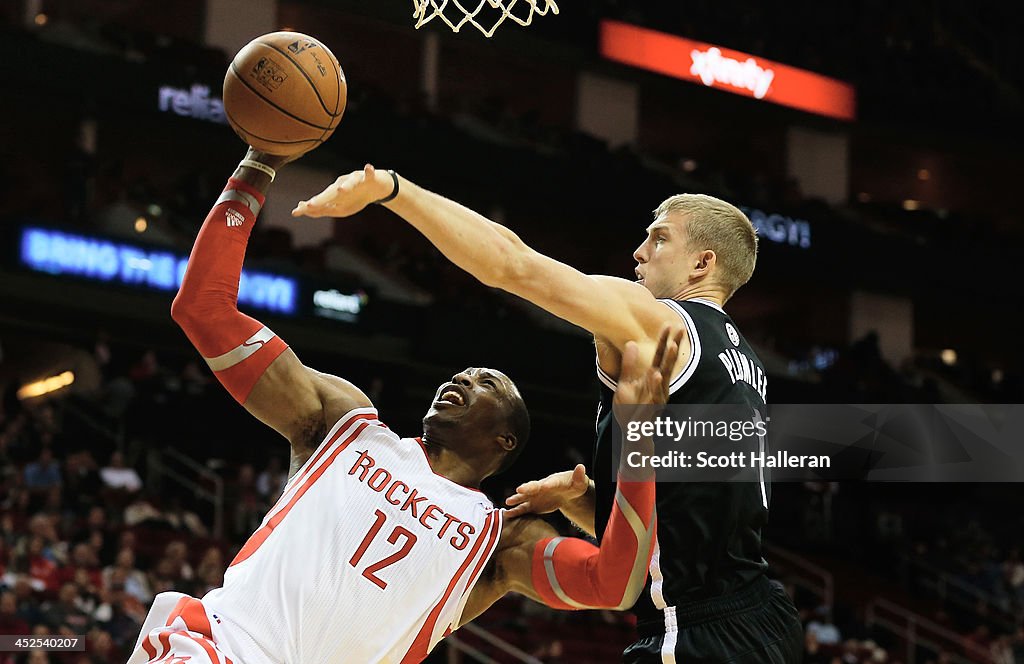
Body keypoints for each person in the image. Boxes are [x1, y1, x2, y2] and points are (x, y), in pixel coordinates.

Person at [127, 148, 681, 664]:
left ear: (505, 440)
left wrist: (638, 440)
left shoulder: (501, 539)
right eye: (463, 373)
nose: (461, 378)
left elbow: (615, 584)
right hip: (222, 647)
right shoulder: (344, 422)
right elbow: (204, 310)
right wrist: (257, 165)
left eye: (485, 381)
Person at [293, 165, 804, 662]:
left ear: (701, 264)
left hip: (696, 630)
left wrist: (393, 190)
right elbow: (685, 518)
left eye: (660, 238)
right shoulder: (744, 366)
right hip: (760, 618)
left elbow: (511, 263)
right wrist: (588, 503)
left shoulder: (658, 322)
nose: (639, 251)